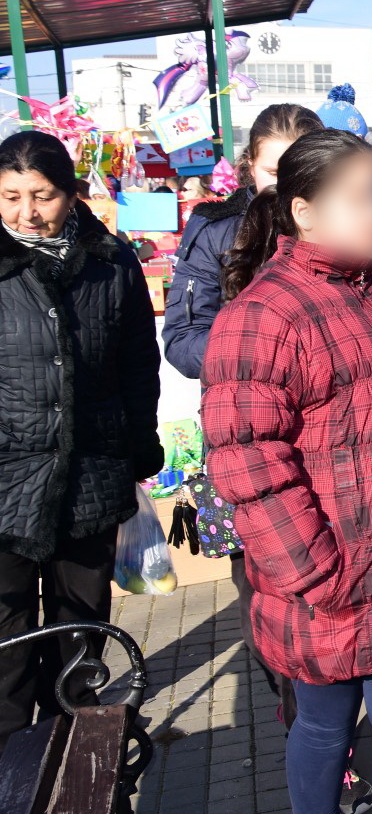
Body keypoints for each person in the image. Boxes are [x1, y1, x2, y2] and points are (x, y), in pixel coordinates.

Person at [202, 130, 372, 814]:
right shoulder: (263, 316)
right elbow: (248, 461)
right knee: (324, 727)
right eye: (360, 198)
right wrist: (316, 572)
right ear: (305, 211)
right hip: (326, 580)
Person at [0, 132, 163, 746]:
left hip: (90, 477)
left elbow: (136, 365)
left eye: (41, 196)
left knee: (80, 635)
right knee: (7, 646)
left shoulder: (110, 261)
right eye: (11, 197)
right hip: (5, 483)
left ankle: (72, 759)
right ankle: (12, 769)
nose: (26, 213)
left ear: (71, 194)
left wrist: (139, 446)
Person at [164, 103, 322, 379]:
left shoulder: (346, 221)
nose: (286, 186)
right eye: (273, 173)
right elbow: (184, 341)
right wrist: (263, 349)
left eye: (299, 172)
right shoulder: (216, 229)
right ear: (251, 165)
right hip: (245, 398)